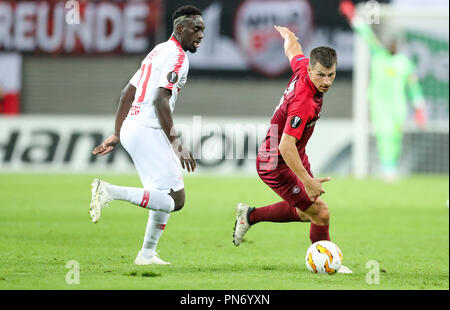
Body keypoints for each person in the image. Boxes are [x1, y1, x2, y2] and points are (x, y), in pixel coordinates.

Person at [89, 5, 205, 265]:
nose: (201, 35)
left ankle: (147, 254)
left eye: (203, 30)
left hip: (133, 127)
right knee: (176, 200)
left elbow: (127, 93)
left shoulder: (156, 52)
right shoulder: (177, 57)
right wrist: (177, 144)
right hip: (147, 128)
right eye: (196, 29)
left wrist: (118, 133)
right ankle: (109, 191)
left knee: (163, 194)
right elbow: (160, 100)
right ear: (180, 28)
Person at [232, 25, 352, 274]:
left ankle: (250, 215)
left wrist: (288, 36)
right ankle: (326, 264)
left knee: (310, 212)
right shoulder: (304, 102)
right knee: (320, 213)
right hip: (275, 162)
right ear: (311, 70)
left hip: (291, 154)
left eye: (331, 75)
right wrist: (306, 180)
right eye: (321, 75)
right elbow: (285, 144)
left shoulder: (303, 67)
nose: (326, 81)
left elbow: (293, 51)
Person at [339, 0, 427, 181]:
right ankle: (388, 170)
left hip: (398, 105)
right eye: (389, 42)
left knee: (395, 137)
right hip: (380, 103)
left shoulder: (404, 63)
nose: (391, 45)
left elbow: (413, 87)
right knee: (385, 134)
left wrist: (419, 109)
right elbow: (365, 33)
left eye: (394, 43)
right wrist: (352, 16)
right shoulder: (378, 54)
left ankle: (391, 167)